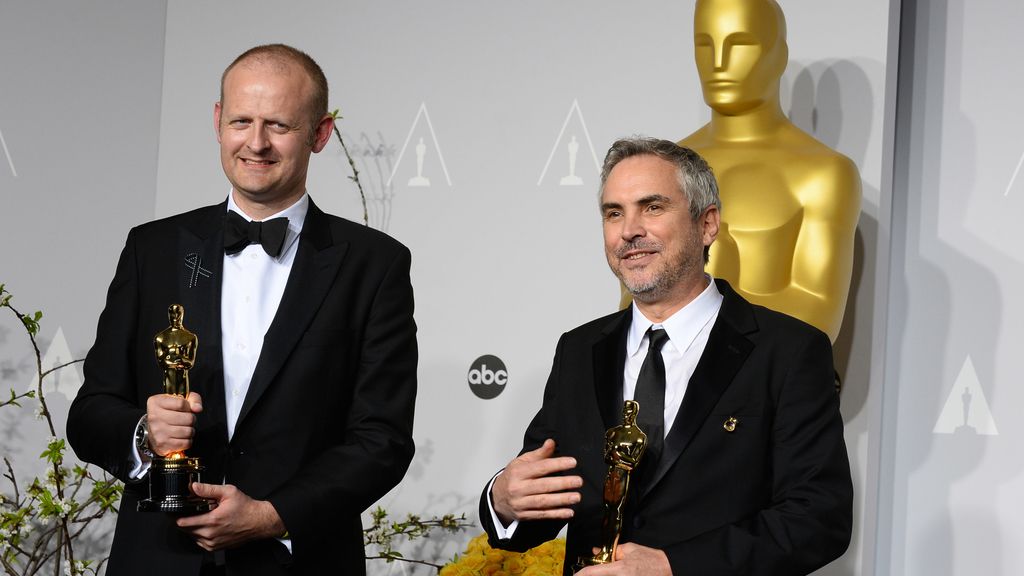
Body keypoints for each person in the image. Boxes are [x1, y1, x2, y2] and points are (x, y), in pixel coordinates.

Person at [67, 44, 417, 576]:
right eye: (241, 121)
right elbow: (90, 411)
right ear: (217, 121)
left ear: (319, 134)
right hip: (159, 559)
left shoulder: (375, 265)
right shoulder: (153, 249)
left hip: (297, 561)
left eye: (278, 124)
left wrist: (274, 516)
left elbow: (381, 440)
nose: (256, 143)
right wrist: (144, 433)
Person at [481, 137, 852, 575]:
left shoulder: (787, 350)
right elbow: (543, 494)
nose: (629, 230)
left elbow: (817, 518)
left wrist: (674, 567)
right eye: (614, 213)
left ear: (707, 224)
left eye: (652, 208)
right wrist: (503, 501)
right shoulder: (579, 350)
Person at [672, 0, 862, 343]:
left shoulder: (823, 174)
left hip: (766, 390)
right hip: (660, 386)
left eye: (740, 44)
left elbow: (817, 321)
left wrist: (710, 294)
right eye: (705, 45)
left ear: (780, 54)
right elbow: (633, 304)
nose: (718, 63)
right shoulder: (663, 168)